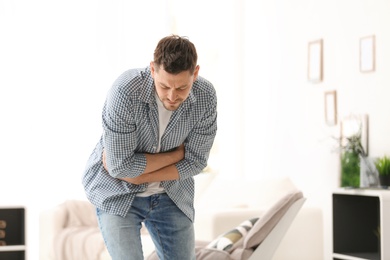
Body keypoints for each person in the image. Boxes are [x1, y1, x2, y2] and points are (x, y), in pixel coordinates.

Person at [82, 35, 218, 260]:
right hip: (117, 191)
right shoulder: (126, 90)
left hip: (172, 193)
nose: (172, 96)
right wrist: (177, 154)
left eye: (182, 87)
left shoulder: (206, 95)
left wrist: (138, 177)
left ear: (195, 73)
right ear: (153, 69)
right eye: (164, 86)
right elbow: (120, 167)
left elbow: (196, 161)